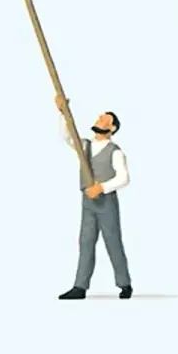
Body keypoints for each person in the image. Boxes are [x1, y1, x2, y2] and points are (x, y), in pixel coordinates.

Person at [55, 95, 133, 300]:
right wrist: (63, 113)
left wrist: (102, 187)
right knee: (86, 241)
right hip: (88, 203)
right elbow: (67, 137)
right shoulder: (85, 146)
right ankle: (80, 286)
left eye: (105, 118)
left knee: (113, 242)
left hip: (106, 203)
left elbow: (124, 178)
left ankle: (124, 283)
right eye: (99, 117)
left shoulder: (115, 152)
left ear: (112, 128)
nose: (100, 119)